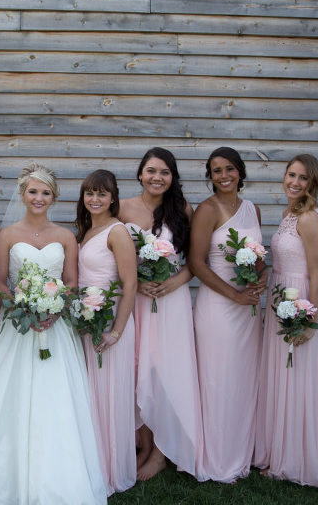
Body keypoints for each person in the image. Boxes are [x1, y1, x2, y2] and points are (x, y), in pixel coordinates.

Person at [0, 164, 107, 504]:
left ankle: (58, 479)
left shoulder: (65, 236)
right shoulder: (8, 235)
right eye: (33, 191)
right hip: (16, 328)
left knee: (56, 401)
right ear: (23, 194)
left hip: (56, 329)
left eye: (45, 192)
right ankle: (5, 478)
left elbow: (71, 282)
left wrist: (53, 309)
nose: (38, 198)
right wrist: (22, 308)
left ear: (53, 197)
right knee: (9, 400)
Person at [119, 148, 206, 482]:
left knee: (166, 369)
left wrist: (172, 284)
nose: (157, 177)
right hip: (136, 299)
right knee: (138, 365)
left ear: (173, 178)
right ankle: (142, 439)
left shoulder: (182, 209)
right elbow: (107, 253)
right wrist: (136, 281)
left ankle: (161, 454)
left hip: (171, 301)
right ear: (140, 173)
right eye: (151, 171)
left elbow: (194, 263)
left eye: (165, 172)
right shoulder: (123, 208)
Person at [189, 147, 264, 483]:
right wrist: (233, 293)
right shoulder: (207, 210)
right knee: (218, 379)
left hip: (249, 307)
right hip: (219, 307)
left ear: (240, 172)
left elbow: (259, 256)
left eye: (229, 169)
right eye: (216, 171)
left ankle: (242, 450)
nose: (223, 176)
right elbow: (197, 263)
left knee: (244, 380)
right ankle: (217, 457)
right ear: (210, 176)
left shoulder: (253, 209)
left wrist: (261, 276)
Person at [254, 154, 318, 489]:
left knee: (295, 378)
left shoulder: (309, 218)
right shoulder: (288, 213)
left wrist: (309, 319)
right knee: (280, 376)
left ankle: (294, 459)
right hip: (279, 297)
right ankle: (276, 449)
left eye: (303, 179)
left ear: (312, 184)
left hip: (298, 304)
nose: (295, 183)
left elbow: (316, 272)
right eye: (291, 175)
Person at [74, 170, 138, 494]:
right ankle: (92, 463)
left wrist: (116, 331)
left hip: (110, 320)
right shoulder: (85, 231)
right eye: (90, 193)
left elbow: (130, 285)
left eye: (102, 194)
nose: (95, 199)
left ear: (113, 198)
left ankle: (111, 471)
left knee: (109, 395)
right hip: (87, 321)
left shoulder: (118, 231)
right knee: (90, 397)